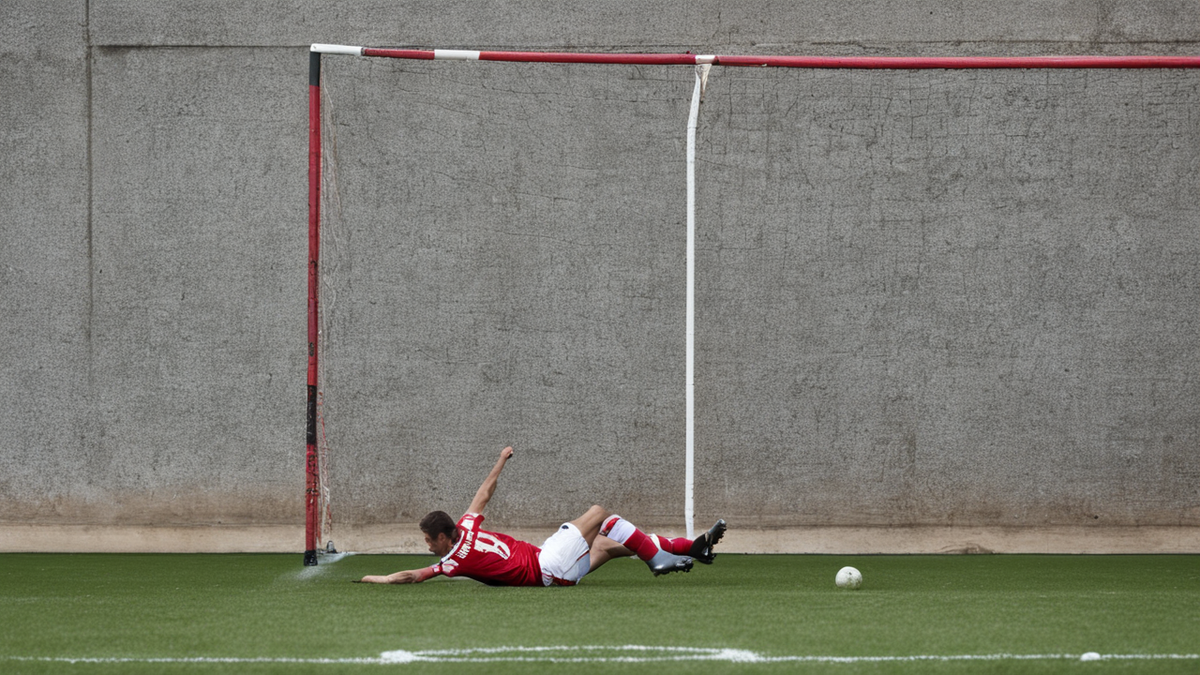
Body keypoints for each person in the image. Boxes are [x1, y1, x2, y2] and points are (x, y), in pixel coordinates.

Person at [359, 446, 726, 587]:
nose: (426, 546)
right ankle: (659, 559)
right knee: (600, 514)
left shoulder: (453, 560)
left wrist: (375, 578)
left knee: (610, 539)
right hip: (549, 566)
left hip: (551, 567)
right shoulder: (465, 529)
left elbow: (410, 577)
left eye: (428, 540)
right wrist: (501, 459)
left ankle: (689, 549)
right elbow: (483, 493)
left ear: (443, 536)